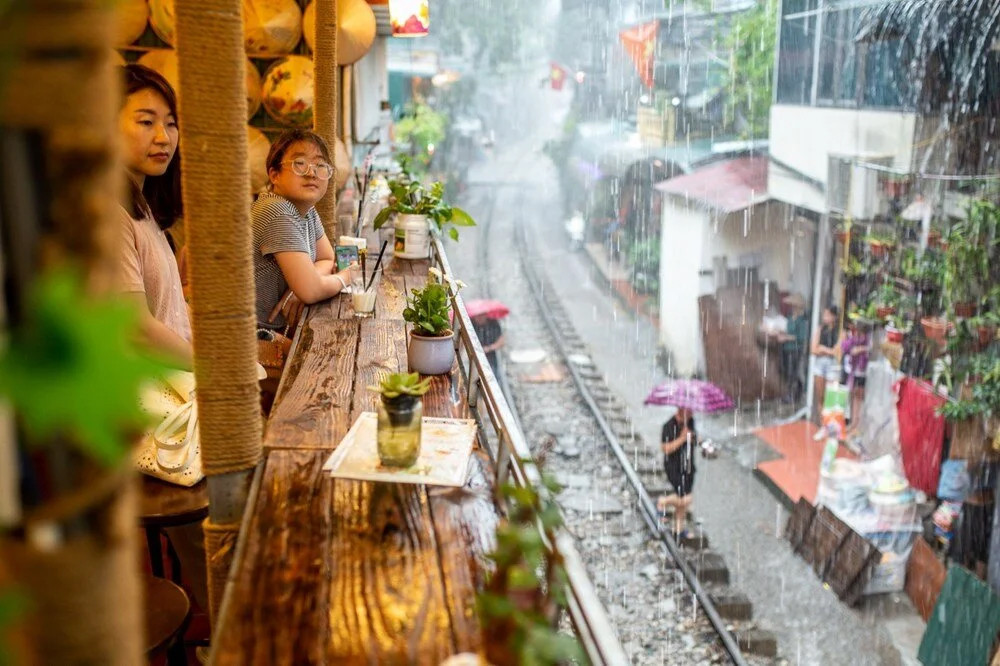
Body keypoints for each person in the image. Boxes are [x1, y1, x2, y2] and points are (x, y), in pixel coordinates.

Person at [115, 64, 206, 611]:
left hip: (173, 392)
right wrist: (219, 369)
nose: (163, 137)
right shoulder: (107, 210)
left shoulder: (140, 206)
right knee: (214, 521)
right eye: (145, 121)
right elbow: (136, 327)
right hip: (151, 406)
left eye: (169, 124)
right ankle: (226, 635)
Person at [252, 129, 354, 333]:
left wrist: (298, 288)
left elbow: (326, 259)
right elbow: (312, 290)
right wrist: (346, 277)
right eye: (299, 164)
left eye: (320, 165)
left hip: (276, 330)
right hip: (250, 336)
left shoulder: (306, 210)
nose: (311, 172)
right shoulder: (277, 211)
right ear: (275, 175)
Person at [656, 407, 697, 538]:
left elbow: (693, 441)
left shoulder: (690, 422)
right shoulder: (669, 425)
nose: (691, 413)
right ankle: (663, 501)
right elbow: (665, 449)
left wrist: (694, 438)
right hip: (674, 466)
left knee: (683, 498)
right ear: (681, 409)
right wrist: (682, 438)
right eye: (689, 410)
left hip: (688, 466)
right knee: (685, 499)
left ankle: (679, 529)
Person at [811, 305, 841, 425]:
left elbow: (837, 352)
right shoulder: (820, 329)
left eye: (827, 315)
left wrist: (822, 349)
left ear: (834, 317)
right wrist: (828, 350)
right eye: (824, 315)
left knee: (831, 397)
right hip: (820, 364)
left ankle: (830, 424)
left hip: (832, 365)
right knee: (820, 397)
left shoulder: (839, 331)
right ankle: (823, 423)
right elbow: (813, 349)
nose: (825, 317)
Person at [777, 293, 808, 404]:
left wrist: (786, 337)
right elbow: (787, 330)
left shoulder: (802, 321)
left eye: (794, 306)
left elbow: (800, 337)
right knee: (786, 370)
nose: (793, 307)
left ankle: (792, 394)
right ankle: (792, 393)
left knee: (793, 372)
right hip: (786, 348)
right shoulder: (790, 318)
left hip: (795, 349)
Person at [840, 321, 870, 432]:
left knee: (858, 399)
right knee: (852, 397)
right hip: (852, 372)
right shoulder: (852, 338)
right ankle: (853, 423)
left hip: (861, 373)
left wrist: (861, 349)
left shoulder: (867, 340)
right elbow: (846, 348)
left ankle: (855, 424)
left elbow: (869, 350)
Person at [471, 313, 505, 378]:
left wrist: (489, 348)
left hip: (491, 356)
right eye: (477, 316)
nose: (479, 318)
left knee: (493, 375)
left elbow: (501, 340)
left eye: (481, 316)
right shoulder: (471, 324)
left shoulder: (493, 323)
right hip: (475, 355)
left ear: (485, 315)